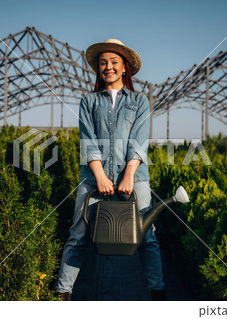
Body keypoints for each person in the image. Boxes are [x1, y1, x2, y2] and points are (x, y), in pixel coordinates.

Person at [55, 39, 166, 301]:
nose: (108, 67)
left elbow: (139, 141)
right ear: (98, 68)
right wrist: (100, 176)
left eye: (114, 62)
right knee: (78, 235)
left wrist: (127, 175)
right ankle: (63, 293)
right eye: (103, 62)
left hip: (135, 177)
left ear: (125, 68)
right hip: (94, 178)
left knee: (147, 237)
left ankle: (158, 293)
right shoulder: (89, 101)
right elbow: (88, 140)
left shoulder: (139, 101)